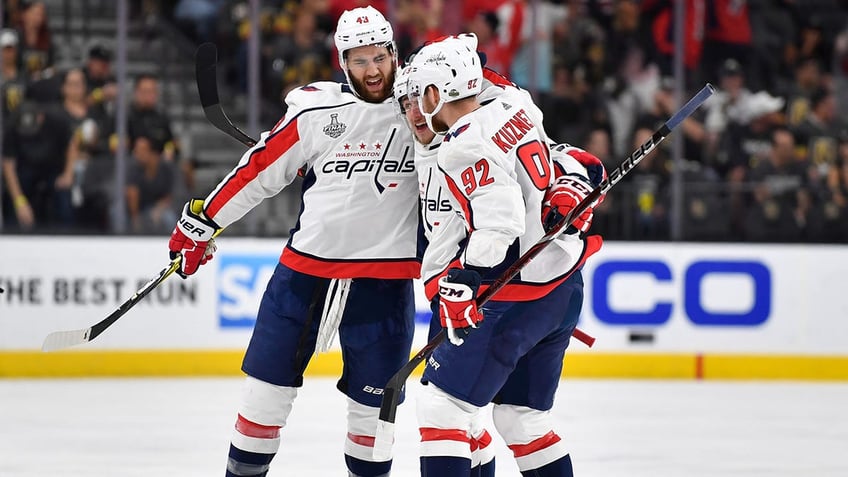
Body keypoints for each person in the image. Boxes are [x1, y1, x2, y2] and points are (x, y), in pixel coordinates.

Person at [166, 6, 419, 477]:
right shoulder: (316, 112)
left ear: (394, 53)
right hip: (304, 279)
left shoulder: (422, 111)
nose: (373, 70)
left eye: (380, 57)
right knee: (263, 401)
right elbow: (260, 173)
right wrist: (202, 223)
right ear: (342, 62)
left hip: (384, 287)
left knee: (374, 423)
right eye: (359, 60)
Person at [402, 35, 604, 476]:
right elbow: (573, 160)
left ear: (438, 92)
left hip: (510, 294)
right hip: (561, 286)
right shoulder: (516, 104)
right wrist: (575, 185)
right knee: (522, 419)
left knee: (442, 409)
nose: (415, 107)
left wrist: (466, 278)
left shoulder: (462, 143)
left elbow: (500, 221)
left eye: (420, 94)